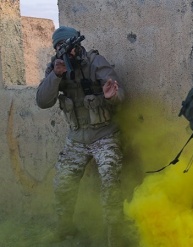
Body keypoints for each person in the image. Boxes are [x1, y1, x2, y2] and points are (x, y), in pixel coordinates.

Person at [36, 26, 126, 246]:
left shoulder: (95, 62)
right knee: (63, 183)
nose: (66, 52)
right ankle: (65, 228)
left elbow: (121, 95)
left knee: (110, 181)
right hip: (76, 138)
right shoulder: (55, 68)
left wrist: (112, 96)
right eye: (59, 48)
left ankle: (115, 236)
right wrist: (56, 76)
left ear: (77, 45)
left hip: (104, 136)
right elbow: (42, 101)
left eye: (68, 47)